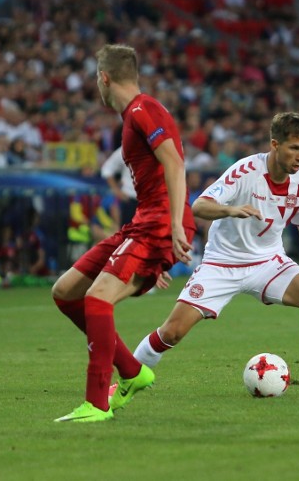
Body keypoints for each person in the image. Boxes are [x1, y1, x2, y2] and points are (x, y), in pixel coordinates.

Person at [126, 112, 299, 399]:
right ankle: (125, 380)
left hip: (269, 262)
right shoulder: (244, 172)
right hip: (222, 263)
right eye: (294, 148)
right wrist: (231, 209)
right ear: (275, 144)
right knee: (172, 332)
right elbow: (200, 206)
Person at [51, 44, 196, 423]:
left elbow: (176, 165)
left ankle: (96, 403)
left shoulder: (142, 110)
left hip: (159, 222)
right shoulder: (136, 113)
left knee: (98, 300)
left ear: (104, 78)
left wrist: (174, 228)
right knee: (66, 292)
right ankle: (132, 371)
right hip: (145, 223)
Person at [101, 146, 137, 226]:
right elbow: (107, 169)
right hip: (130, 201)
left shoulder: (156, 146)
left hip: (153, 201)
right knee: (129, 236)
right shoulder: (126, 148)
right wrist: (116, 191)